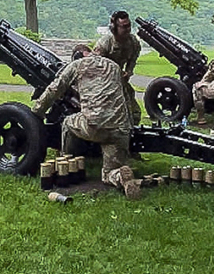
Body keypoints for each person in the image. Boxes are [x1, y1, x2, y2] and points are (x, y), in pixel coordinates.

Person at [31, 45, 142, 199]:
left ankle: (67, 163)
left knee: (68, 123)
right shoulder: (114, 66)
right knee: (109, 172)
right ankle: (121, 177)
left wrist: (37, 111)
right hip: (120, 129)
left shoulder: (77, 65)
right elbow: (126, 96)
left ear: (78, 55)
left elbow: (55, 89)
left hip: (95, 125)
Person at [94, 10, 142, 124]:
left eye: (129, 26)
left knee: (134, 111)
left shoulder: (133, 42)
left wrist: (128, 72)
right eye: (124, 27)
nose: (127, 29)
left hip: (120, 81)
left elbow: (132, 60)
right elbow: (94, 65)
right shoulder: (105, 44)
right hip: (103, 82)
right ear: (115, 28)